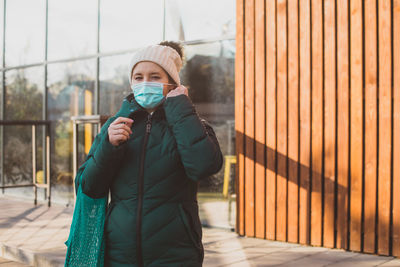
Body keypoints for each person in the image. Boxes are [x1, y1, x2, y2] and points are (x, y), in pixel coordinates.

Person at [78, 41, 223, 267]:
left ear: (171, 83)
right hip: (119, 253)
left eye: (155, 77)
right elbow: (88, 186)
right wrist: (109, 147)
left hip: (176, 253)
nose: (145, 83)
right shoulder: (114, 127)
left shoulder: (192, 125)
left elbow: (204, 166)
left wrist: (181, 109)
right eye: (138, 77)